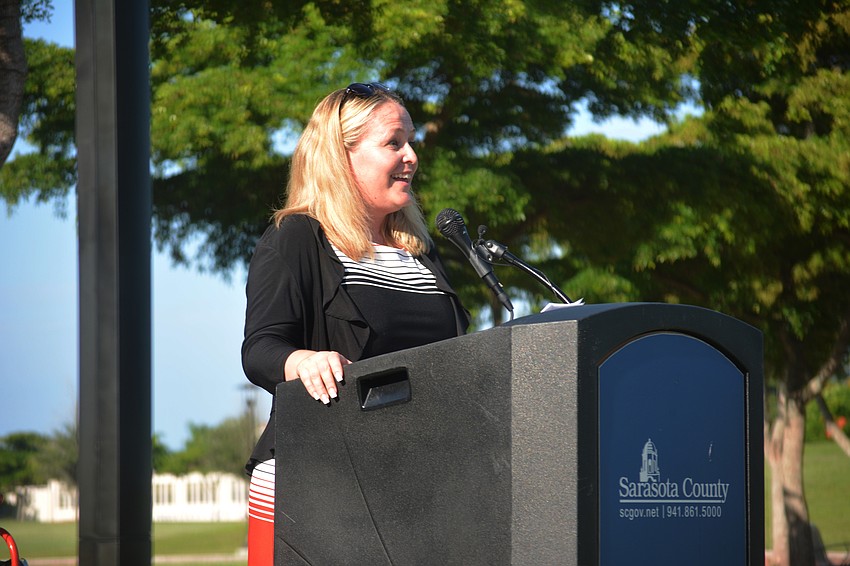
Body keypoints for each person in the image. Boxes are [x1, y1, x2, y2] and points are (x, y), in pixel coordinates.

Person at [240, 83, 470, 565]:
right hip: (319, 483)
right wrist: (303, 360)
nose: (411, 156)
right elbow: (260, 348)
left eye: (410, 142)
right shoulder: (298, 238)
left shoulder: (420, 253)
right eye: (394, 142)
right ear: (342, 157)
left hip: (417, 483)